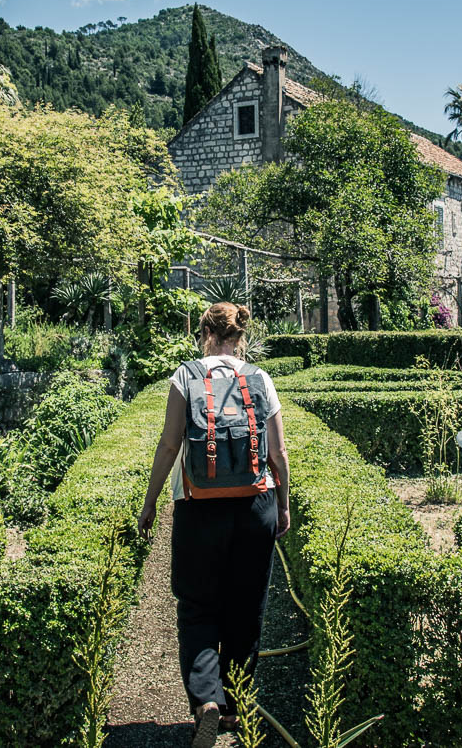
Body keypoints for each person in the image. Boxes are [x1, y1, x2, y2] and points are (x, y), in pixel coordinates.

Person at [138, 302, 290, 748]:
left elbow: (169, 447)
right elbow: (279, 455)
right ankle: (236, 706)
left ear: (204, 333)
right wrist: (283, 506)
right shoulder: (260, 379)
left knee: (198, 606)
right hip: (254, 504)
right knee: (245, 610)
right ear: (241, 336)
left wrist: (150, 505)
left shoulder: (185, 376)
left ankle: (206, 700)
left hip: (198, 506)